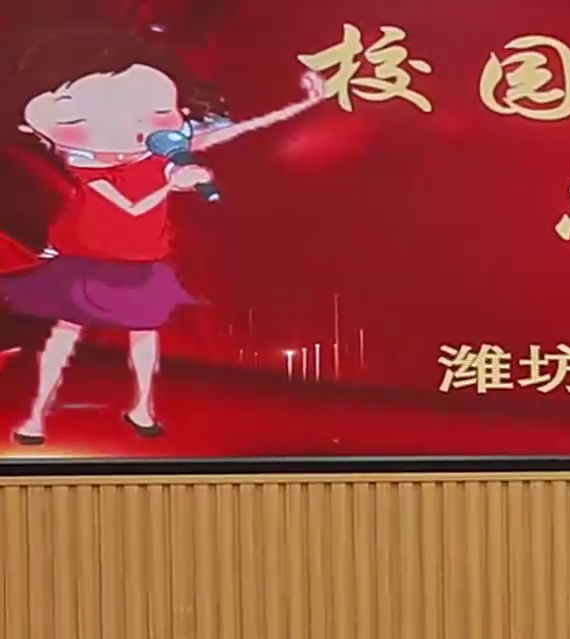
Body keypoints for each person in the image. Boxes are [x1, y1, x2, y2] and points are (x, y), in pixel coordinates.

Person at [0, 19, 326, 444]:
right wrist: (169, 187)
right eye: (79, 113)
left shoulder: (162, 154)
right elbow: (129, 207)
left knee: (144, 337)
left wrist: (302, 105)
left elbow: (236, 129)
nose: (131, 125)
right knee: (65, 336)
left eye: (156, 113)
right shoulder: (88, 167)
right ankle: (36, 416)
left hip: (141, 262)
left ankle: (142, 408)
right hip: (89, 262)